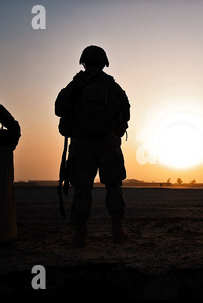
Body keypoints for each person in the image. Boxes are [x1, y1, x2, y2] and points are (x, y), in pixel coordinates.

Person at [55, 45, 131, 247]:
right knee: (113, 186)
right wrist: (117, 131)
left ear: (84, 62)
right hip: (108, 143)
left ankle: (80, 235)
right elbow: (126, 109)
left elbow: (59, 108)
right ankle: (116, 230)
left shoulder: (77, 83)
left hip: (82, 144)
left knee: (82, 189)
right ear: (104, 62)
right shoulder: (111, 85)